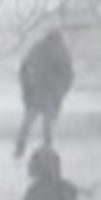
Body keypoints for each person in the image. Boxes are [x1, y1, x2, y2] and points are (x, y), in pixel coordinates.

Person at [15, 30, 74, 158]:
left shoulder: (36, 49)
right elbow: (68, 75)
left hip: (36, 94)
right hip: (49, 95)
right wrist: (61, 91)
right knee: (46, 126)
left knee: (28, 123)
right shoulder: (61, 52)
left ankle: (20, 148)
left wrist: (27, 88)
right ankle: (47, 152)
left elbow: (23, 69)